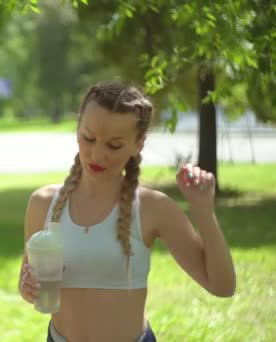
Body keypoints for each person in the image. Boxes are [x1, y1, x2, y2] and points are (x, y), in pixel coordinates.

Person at [18, 82, 236, 342]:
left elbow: (222, 286)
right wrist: (27, 287)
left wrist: (203, 211)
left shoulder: (152, 208)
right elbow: (30, 282)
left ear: (138, 144)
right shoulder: (43, 204)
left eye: (114, 145)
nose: (97, 154)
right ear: (77, 130)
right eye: (89, 138)